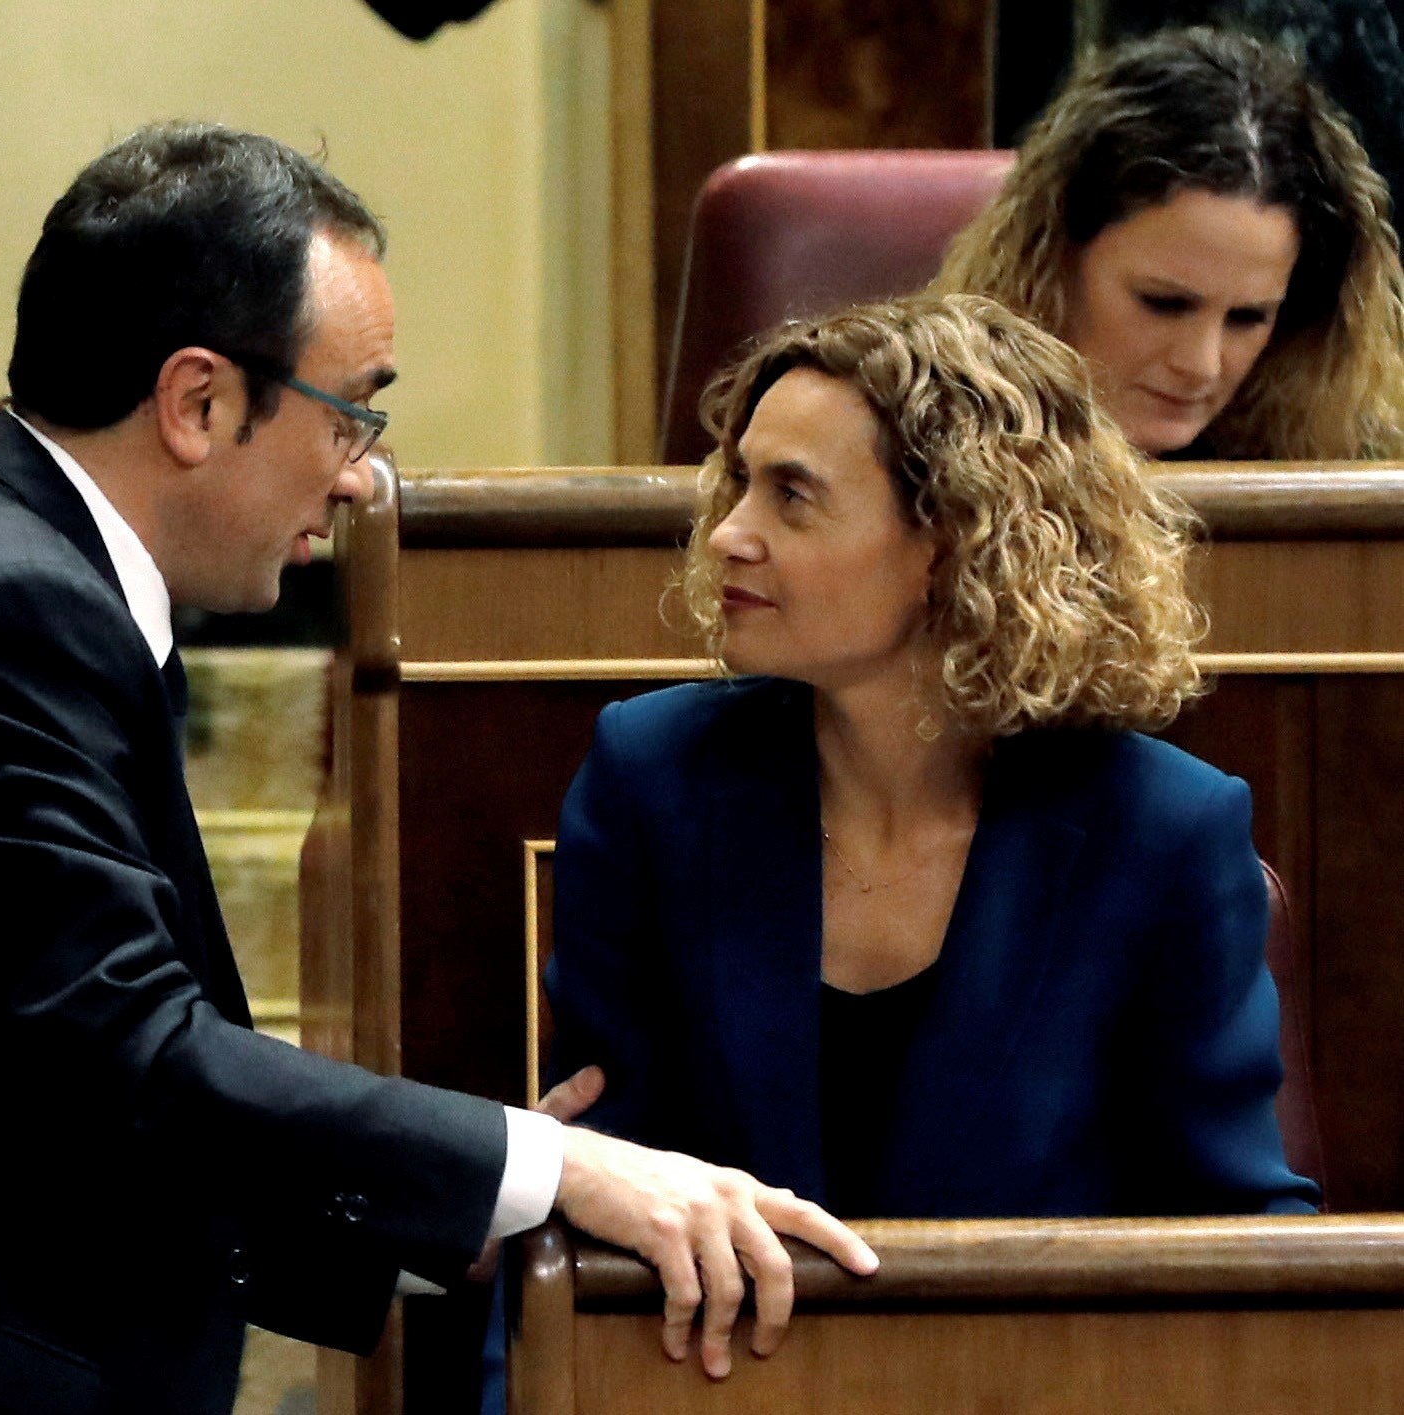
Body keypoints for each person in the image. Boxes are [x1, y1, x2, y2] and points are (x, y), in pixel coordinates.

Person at [0, 124, 878, 1415]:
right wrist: (553, 1166)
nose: (363, 477)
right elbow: (133, 1056)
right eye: (352, 413)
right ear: (199, 403)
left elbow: (39, 1092)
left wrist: (461, 1210)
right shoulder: (5, 616)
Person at [547, 293, 1320, 1223]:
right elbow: (598, 1167)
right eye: (740, 481)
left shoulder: (1159, 828)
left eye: (790, 495)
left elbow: (1239, 1221)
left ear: (952, 541)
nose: (727, 533)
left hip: (1039, 1326)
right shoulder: (653, 776)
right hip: (714, 1321)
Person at [934, 26, 1404, 460]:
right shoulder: (918, 458)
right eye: (1163, 303)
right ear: (1051, 260)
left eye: (1247, 318)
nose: (1201, 365)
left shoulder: (1355, 466)